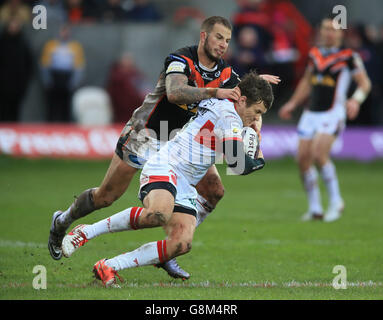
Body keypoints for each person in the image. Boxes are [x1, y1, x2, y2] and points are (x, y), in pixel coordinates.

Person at [48, 16, 279, 279]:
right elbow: (175, 93)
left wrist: (258, 81)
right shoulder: (180, 60)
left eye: (228, 40)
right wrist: (214, 93)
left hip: (179, 139)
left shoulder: (225, 73)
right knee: (106, 197)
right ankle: (62, 222)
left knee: (214, 190)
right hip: (147, 132)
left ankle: (170, 248)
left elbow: (245, 94)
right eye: (218, 37)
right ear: (203, 36)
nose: (223, 44)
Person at [278, 16, 371, 222]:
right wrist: (293, 103)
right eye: (325, 28)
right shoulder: (314, 54)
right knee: (302, 159)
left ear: (340, 33)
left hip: (333, 113)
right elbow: (307, 82)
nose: (329, 32)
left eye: (333, 29)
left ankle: (336, 202)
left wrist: (355, 100)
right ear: (320, 31)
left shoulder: (349, 57)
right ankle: (315, 208)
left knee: (319, 154)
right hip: (311, 113)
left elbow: (365, 83)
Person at [40, 24, 85, 122]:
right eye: (62, 31)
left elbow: (79, 66)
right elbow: (44, 65)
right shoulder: (50, 45)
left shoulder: (75, 46)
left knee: (66, 106)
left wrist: (74, 82)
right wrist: (47, 80)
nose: (64, 33)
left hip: (68, 77)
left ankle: (65, 126)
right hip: (54, 76)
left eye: (66, 31)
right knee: (51, 105)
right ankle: (50, 126)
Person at [0, 18, 33, 122]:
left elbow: (29, 64)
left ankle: (14, 132)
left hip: (18, 85)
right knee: (3, 110)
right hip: (2, 84)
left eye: (16, 26)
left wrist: (24, 81)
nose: (13, 28)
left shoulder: (23, 43)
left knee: (16, 111)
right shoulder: (2, 43)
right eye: (12, 26)